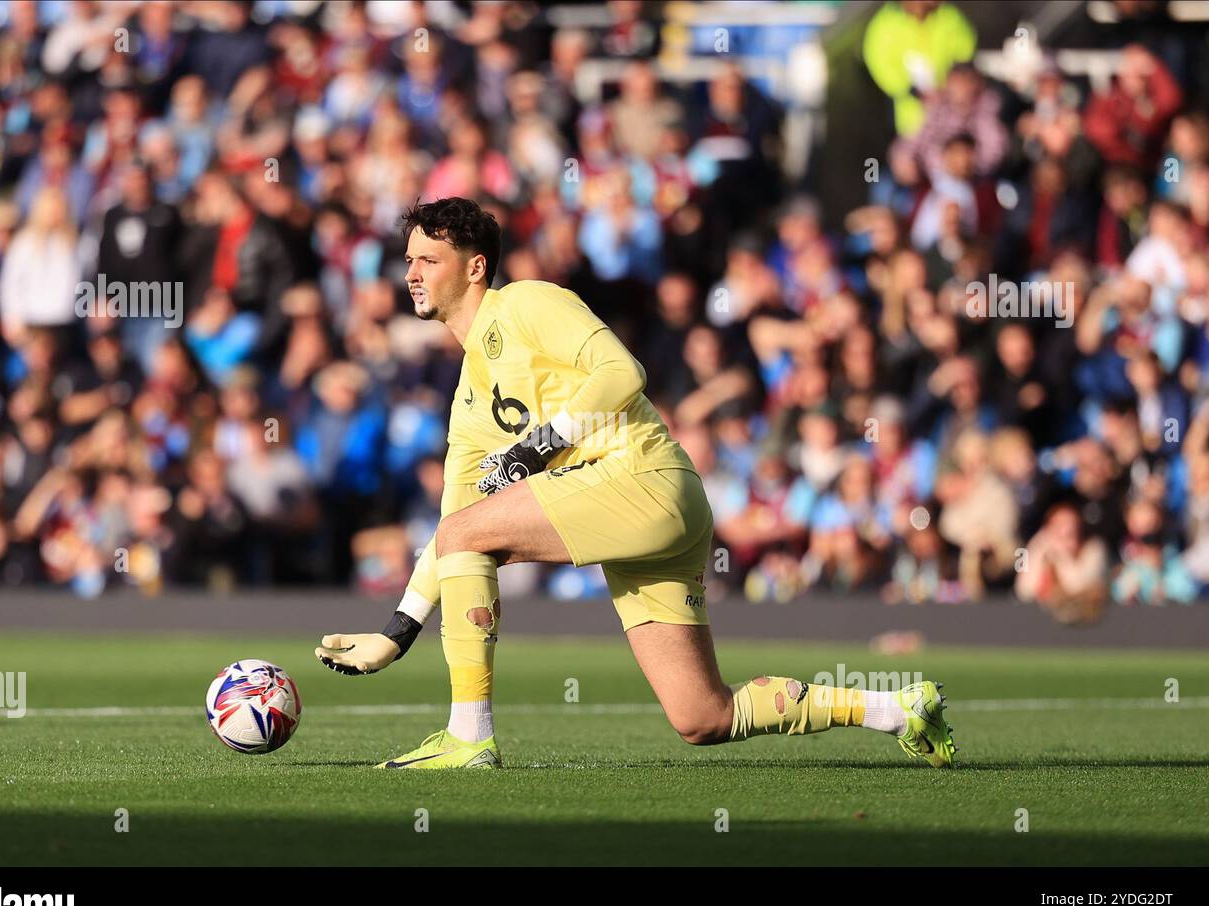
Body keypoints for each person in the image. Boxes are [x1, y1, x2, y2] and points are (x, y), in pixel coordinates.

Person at [316, 198, 957, 769]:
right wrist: (396, 632)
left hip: (644, 479)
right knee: (702, 716)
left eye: (428, 259)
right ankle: (895, 708)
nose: (412, 273)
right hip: (645, 517)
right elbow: (453, 525)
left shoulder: (526, 302)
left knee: (469, 535)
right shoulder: (467, 400)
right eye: (409, 260)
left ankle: (469, 735)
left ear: (476, 266)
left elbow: (625, 370)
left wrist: (540, 443)